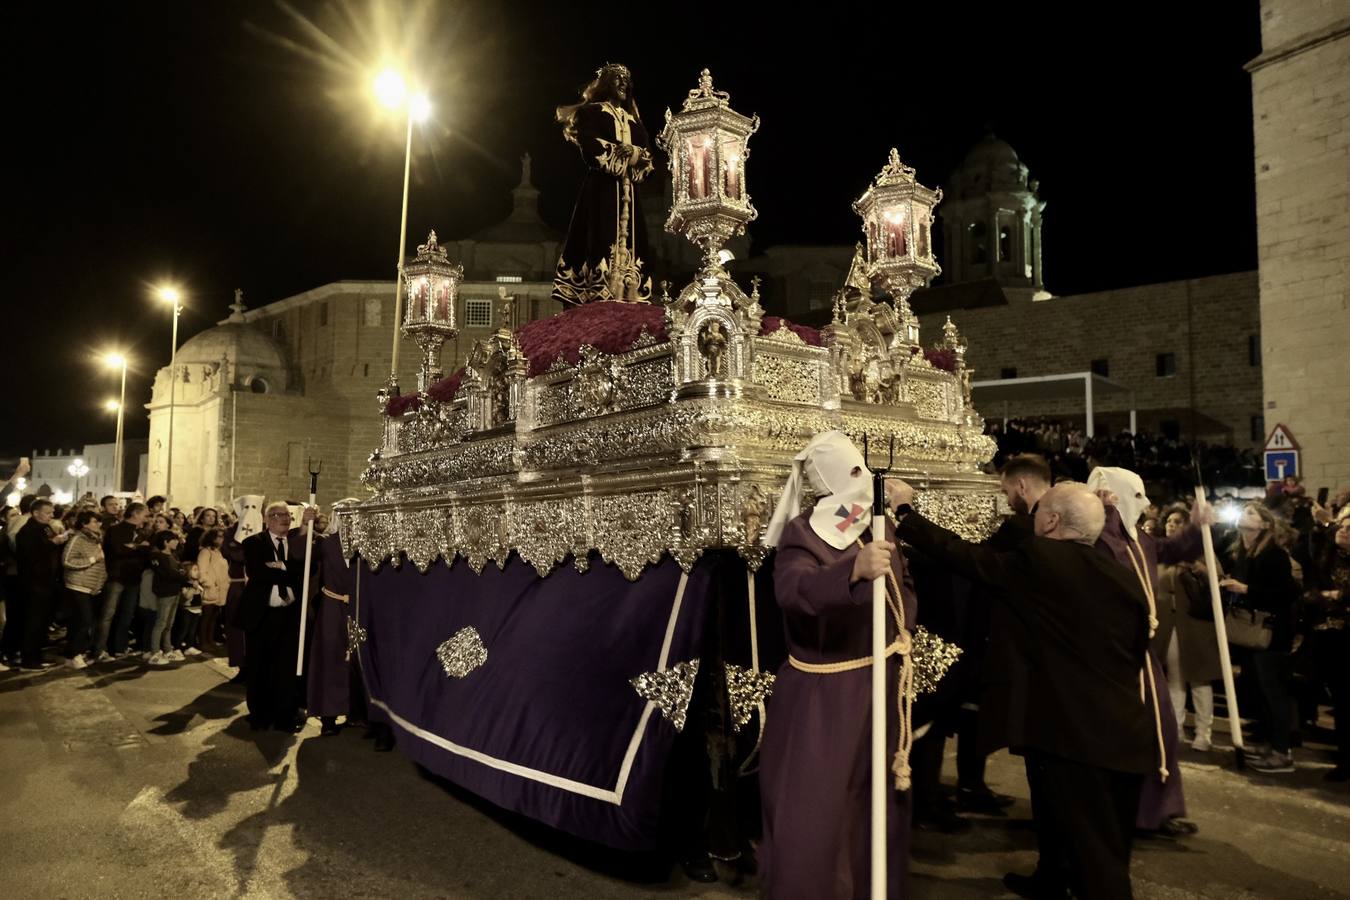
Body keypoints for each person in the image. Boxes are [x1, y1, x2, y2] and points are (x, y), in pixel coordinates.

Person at [892, 480, 1156, 900]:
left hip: (1076, 735)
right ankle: (1051, 878)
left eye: (1039, 513)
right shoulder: (1120, 575)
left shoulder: (1041, 559)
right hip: (1118, 729)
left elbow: (968, 558)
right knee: (1064, 820)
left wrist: (905, 514)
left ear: (1050, 520)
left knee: (1098, 860)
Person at [758, 431, 919, 900]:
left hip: (879, 683)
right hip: (826, 698)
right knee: (818, 808)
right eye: (852, 473)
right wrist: (849, 572)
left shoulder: (871, 523)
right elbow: (792, 591)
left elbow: (899, 589)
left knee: (872, 803)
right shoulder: (804, 532)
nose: (863, 482)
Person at [1085, 466, 1208, 838]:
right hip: (1111, 658)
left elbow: (1171, 549)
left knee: (1163, 730)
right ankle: (1127, 812)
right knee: (1127, 736)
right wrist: (1103, 509)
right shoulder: (1100, 537)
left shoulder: (1137, 538)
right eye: (1137, 496)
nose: (1148, 504)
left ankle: (1156, 810)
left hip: (1140, 654)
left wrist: (1198, 527)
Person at [552, 63, 655, 305]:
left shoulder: (635, 122)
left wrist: (634, 153)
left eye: (626, 81)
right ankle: (599, 290)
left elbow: (649, 159)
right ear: (606, 83)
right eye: (617, 79)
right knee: (598, 236)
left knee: (634, 244)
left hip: (629, 195)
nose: (623, 84)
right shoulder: (592, 113)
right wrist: (625, 156)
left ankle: (629, 293)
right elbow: (591, 148)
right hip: (602, 191)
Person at [1222, 502, 1299, 774]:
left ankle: (1282, 752)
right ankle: (1270, 743)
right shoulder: (1241, 552)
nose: (1245, 515)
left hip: (1271, 633)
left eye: (1252, 513)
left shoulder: (1274, 555)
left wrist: (1246, 588)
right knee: (1260, 692)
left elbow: (1285, 594)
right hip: (1251, 632)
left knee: (1274, 692)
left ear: (1265, 525)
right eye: (1244, 512)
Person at [236, 501, 316, 731]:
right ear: (268, 519)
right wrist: (288, 570)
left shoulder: (295, 543)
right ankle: (259, 714)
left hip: (289, 615)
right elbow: (258, 572)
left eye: (287, 515)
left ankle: (285, 715)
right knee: (259, 665)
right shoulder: (254, 542)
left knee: (286, 668)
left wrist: (280, 566)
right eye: (279, 515)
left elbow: (306, 572)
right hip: (261, 615)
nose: (285, 519)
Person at [1153, 506, 1222, 751]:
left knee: (1200, 679)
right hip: (1169, 624)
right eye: (1169, 520)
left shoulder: (1199, 550)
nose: (1172, 525)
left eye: (1178, 521)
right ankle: (1177, 726)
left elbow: (1217, 579)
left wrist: (1196, 567)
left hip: (1194, 624)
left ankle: (1204, 732)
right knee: (1175, 678)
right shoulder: (1160, 552)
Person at [14, 498, 69, 670]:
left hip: (49, 582)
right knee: (33, 622)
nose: (51, 516)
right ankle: (29, 659)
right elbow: (31, 555)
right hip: (34, 583)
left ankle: (37, 655)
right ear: (36, 513)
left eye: (52, 513)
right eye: (47, 513)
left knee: (43, 621)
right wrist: (54, 542)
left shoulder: (45, 528)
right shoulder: (27, 531)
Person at [92, 501, 150, 660]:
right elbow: (118, 549)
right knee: (108, 614)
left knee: (127, 614)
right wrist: (138, 548)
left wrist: (135, 547)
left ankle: (119, 646)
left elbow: (147, 552)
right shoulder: (116, 529)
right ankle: (99, 649)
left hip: (133, 578)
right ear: (135, 513)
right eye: (144, 515)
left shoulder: (141, 533)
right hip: (117, 576)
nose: (146, 519)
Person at [61, 510, 106, 669]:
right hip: (78, 585)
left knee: (82, 621)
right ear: (84, 524)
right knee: (83, 621)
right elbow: (67, 561)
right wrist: (92, 560)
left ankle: (72, 654)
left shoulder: (95, 540)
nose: (98, 524)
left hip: (91, 586)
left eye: (99, 521)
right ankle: (74, 654)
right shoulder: (78, 539)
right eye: (94, 521)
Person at [147, 530, 192, 665]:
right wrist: (186, 578)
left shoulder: (174, 556)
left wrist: (182, 576)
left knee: (169, 624)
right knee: (161, 622)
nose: (177, 542)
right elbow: (169, 573)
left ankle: (167, 649)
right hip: (165, 592)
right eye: (174, 540)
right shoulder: (157, 556)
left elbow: (180, 571)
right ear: (166, 542)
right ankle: (154, 651)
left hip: (175, 591)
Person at [196, 529, 229, 654]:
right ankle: (203, 642)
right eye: (218, 537)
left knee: (213, 617)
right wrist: (209, 584)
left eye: (222, 537)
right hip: (210, 589)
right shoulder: (205, 552)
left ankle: (210, 640)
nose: (221, 539)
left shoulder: (217, 552)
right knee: (206, 617)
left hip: (219, 590)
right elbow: (201, 571)